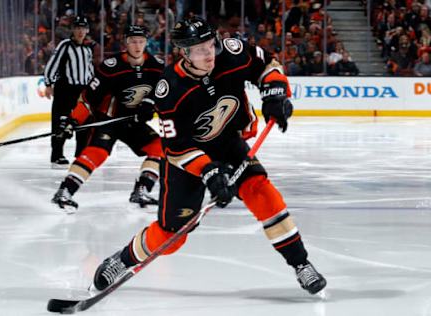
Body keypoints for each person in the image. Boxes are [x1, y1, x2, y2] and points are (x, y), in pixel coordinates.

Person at [91, 17, 327, 295]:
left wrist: (274, 93)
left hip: (228, 142)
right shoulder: (169, 88)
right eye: (200, 50)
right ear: (184, 52)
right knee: (173, 234)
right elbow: (175, 147)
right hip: (189, 158)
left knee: (261, 191)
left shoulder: (231, 52)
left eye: (210, 45)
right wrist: (209, 171)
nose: (209, 54)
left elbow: (267, 65)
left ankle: (301, 264)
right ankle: (123, 259)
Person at [51, 25, 164, 212]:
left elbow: (164, 95)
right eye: (133, 41)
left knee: (159, 147)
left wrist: (151, 105)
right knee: (97, 153)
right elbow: (88, 99)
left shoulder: (157, 67)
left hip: (133, 122)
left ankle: (142, 189)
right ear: (125, 43)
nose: (137, 45)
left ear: (146, 43)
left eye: (141, 41)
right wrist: (73, 121)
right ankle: (64, 192)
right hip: (108, 121)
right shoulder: (111, 67)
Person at [44, 16, 95, 168]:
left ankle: (81, 154)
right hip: (65, 90)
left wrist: (93, 86)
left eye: (83, 28)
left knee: (84, 123)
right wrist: (48, 83)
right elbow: (52, 64)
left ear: (87, 30)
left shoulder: (87, 49)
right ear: (73, 30)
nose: (80, 31)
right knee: (61, 123)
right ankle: (57, 154)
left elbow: (89, 69)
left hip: (82, 92)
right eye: (77, 28)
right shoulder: (65, 45)